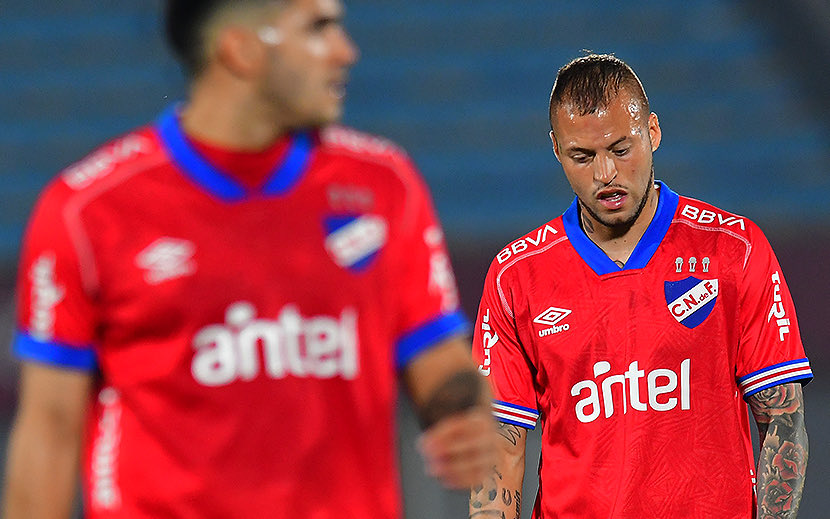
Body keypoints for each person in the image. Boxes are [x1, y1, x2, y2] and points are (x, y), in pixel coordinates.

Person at [2, 1, 500, 517]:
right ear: (239, 49)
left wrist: (462, 412)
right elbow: (50, 428)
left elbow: (438, 358)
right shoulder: (88, 211)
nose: (345, 52)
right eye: (317, 29)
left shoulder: (382, 185)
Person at [470, 53, 812, 519]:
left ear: (653, 131)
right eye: (582, 156)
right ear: (556, 149)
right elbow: (499, 454)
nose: (605, 174)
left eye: (621, 148)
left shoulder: (733, 249)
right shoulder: (516, 278)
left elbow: (782, 423)